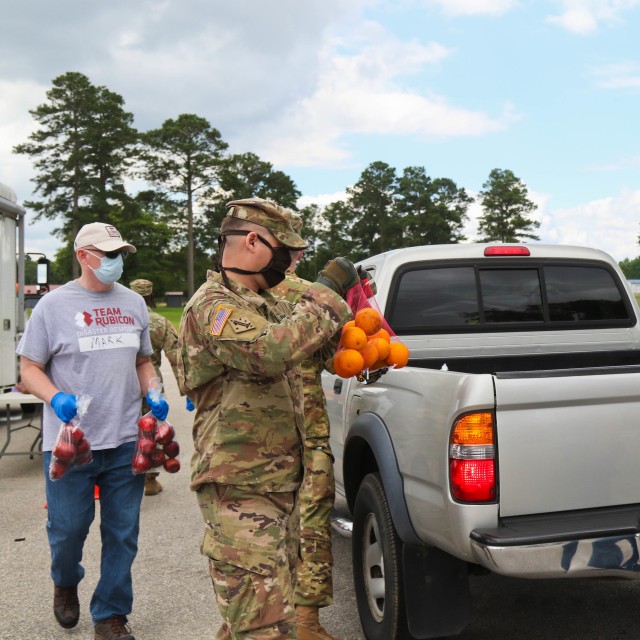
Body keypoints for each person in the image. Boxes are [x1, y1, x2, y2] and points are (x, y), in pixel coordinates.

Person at [177, 197, 358, 639]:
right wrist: (326, 293)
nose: (289, 260)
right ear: (254, 241)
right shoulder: (213, 306)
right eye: (285, 248)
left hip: (280, 481)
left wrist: (354, 353)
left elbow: (307, 353)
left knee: (260, 616)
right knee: (262, 624)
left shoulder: (264, 303)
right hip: (241, 486)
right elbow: (270, 351)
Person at [17, 221, 170, 640]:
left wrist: (152, 390)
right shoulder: (52, 306)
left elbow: (143, 360)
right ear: (84, 256)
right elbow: (29, 367)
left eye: (120, 253)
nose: (116, 261)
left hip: (126, 440)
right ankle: (65, 582)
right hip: (72, 443)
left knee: (123, 533)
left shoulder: (134, 303)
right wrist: (55, 398)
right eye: (108, 254)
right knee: (67, 530)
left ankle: (111, 616)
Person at [269, 212, 339, 640]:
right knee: (303, 530)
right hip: (291, 435)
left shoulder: (236, 295)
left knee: (274, 533)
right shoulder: (313, 298)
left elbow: (334, 358)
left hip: (287, 436)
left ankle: (296, 623)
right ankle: (300, 624)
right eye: (294, 250)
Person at [129, 278, 185, 497]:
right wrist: (187, 389)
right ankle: (149, 479)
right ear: (151, 295)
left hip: (124, 382)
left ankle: (122, 474)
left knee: (126, 428)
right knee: (151, 431)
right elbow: (177, 357)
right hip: (152, 383)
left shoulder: (123, 319)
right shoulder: (160, 322)